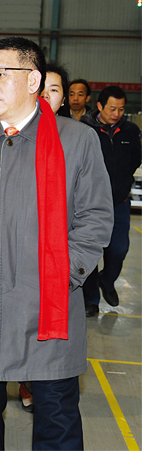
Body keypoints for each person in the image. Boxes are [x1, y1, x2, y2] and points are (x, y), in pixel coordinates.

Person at [0, 37, 113, 451]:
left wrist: (65, 274)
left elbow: (96, 217)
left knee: (57, 420)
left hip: (48, 304)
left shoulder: (76, 140)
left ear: (33, 81)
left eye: (0, 74)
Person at [80, 86, 142, 317]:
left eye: (121, 109)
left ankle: (107, 280)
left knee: (118, 249)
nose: (117, 114)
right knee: (90, 252)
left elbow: (136, 159)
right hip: (90, 203)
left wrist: (122, 181)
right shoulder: (86, 130)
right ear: (100, 106)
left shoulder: (130, 130)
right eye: (112, 109)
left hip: (119, 203)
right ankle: (91, 300)